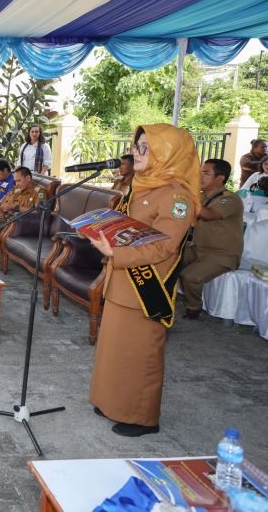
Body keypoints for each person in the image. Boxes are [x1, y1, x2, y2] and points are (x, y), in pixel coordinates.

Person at [88, 123, 201, 437]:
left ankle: (142, 417)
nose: (135, 153)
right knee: (114, 350)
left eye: (145, 147)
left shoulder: (177, 196)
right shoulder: (141, 185)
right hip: (121, 282)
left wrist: (116, 253)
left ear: (166, 153)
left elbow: (165, 246)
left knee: (140, 356)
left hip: (145, 287)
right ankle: (111, 402)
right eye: (136, 146)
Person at [179, 159, 243, 320]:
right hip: (197, 248)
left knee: (190, 276)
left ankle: (194, 308)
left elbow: (209, 215)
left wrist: (188, 196)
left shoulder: (230, 199)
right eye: (201, 172)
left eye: (206, 173)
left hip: (222, 255)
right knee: (167, 258)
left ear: (220, 178)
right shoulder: (201, 197)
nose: (200, 176)